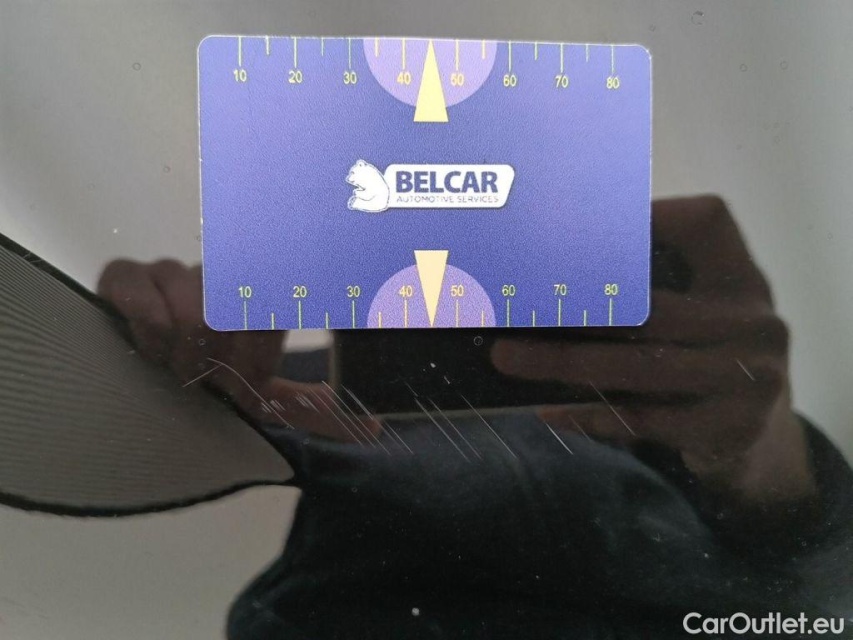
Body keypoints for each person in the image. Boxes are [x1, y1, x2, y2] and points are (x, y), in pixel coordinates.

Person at [98, 196, 853, 638]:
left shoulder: (635, 366)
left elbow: (816, 604)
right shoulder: (279, 388)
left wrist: (765, 452)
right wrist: (128, 368)